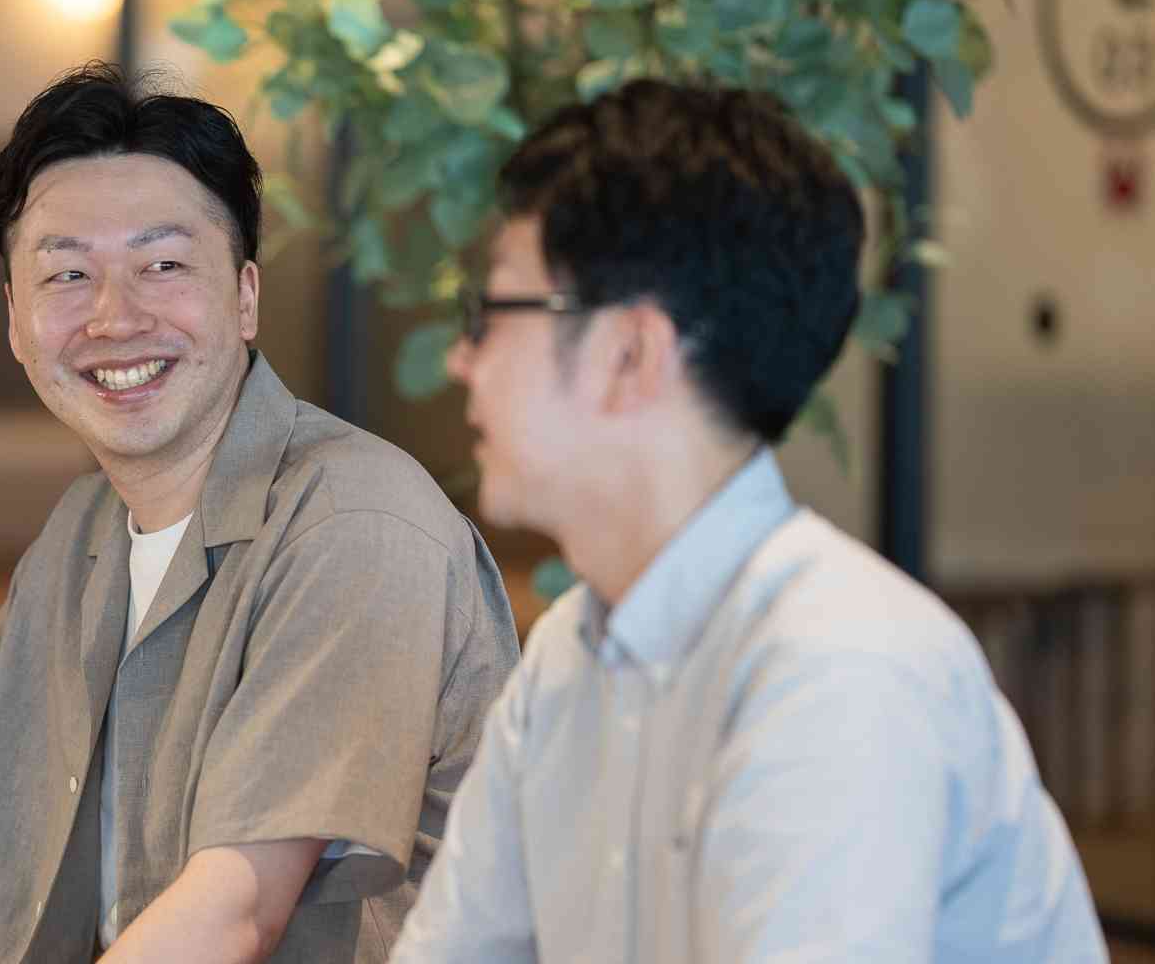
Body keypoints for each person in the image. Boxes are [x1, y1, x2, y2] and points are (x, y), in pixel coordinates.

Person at [0, 62, 520, 964]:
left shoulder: (353, 522)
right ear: (15, 321)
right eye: (68, 274)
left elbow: (237, 912)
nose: (114, 318)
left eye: (163, 265)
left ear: (246, 296)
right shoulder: (79, 536)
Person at [392, 80, 1106, 962]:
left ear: (629, 354)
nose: (461, 360)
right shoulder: (570, 657)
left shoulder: (836, 667)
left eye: (491, 314)